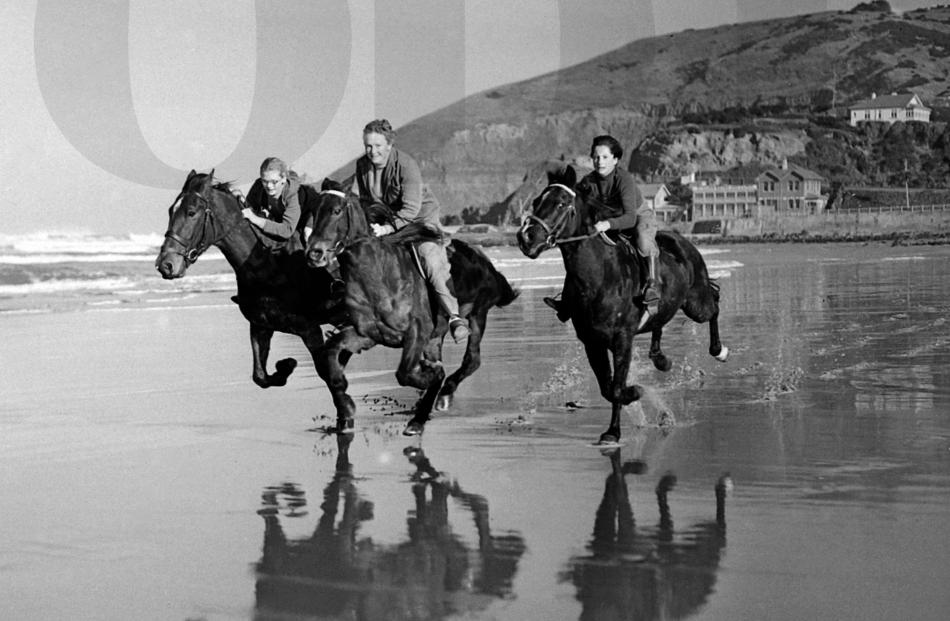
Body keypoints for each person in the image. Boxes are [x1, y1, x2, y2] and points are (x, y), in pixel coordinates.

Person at [350, 119, 470, 344]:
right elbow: (366, 200)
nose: (372, 151)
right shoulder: (362, 165)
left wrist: (386, 228)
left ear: (389, 145)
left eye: (377, 146)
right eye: (368, 146)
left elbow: (411, 208)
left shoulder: (406, 165)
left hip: (419, 218)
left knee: (429, 257)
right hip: (387, 220)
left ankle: (454, 317)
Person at [543, 135, 660, 324]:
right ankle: (567, 300)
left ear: (615, 159)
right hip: (610, 220)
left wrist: (607, 225)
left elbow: (629, 218)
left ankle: (652, 286)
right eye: (596, 157)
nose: (599, 161)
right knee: (580, 250)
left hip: (638, 218)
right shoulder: (589, 181)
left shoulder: (624, 179)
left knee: (643, 241)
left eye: (605, 157)